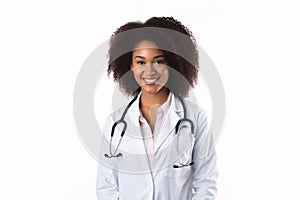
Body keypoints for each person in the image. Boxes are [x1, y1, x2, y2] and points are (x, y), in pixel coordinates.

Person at [96, 16, 218, 200]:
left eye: (159, 61)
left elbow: (206, 182)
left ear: (173, 64)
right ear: (130, 66)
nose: (150, 71)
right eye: (140, 62)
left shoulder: (195, 118)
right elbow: (106, 188)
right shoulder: (115, 123)